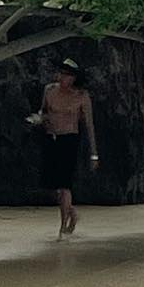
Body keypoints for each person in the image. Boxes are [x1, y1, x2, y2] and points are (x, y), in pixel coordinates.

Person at [33, 59, 99, 238]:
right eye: (61, 73)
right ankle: (72, 213)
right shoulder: (49, 91)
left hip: (70, 139)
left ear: (74, 78)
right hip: (51, 138)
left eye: (67, 75)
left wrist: (94, 154)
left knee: (65, 185)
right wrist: (39, 119)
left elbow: (89, 125)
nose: (63, 78)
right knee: (54, 186)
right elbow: (43, 111)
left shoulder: (81, 96)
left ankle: (63, 226)